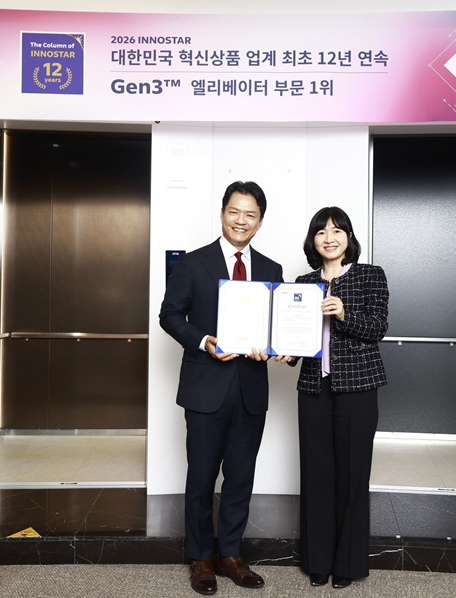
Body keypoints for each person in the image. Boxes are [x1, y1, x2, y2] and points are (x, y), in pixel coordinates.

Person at [159, 181, 284, 596]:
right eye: (235, 211)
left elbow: (279, 327)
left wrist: (275, 347)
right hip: (205, 387)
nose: (241, 221)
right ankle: (200, 557)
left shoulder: (271, 270)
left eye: (250, 215)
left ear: (260, 221)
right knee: (201, 477)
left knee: (240, 478)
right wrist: (203, 341)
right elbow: (169, 314)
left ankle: (230, 554)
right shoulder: (193, 263)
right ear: (222, 213)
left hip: (250, 390)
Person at [277, 206, 389, 589]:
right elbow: (299, 337)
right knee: (316, 475)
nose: (329, 237)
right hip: (314, 388)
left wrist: (344, 314)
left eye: (337, 230)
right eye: (321, 231)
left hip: (358, 388)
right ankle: (318, 561)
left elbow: (378, 327)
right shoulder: (303, 283)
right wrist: (288, 351)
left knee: (352, 476)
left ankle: (348, 563)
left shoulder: (370, 275)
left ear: (348, 238)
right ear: (313, 240)